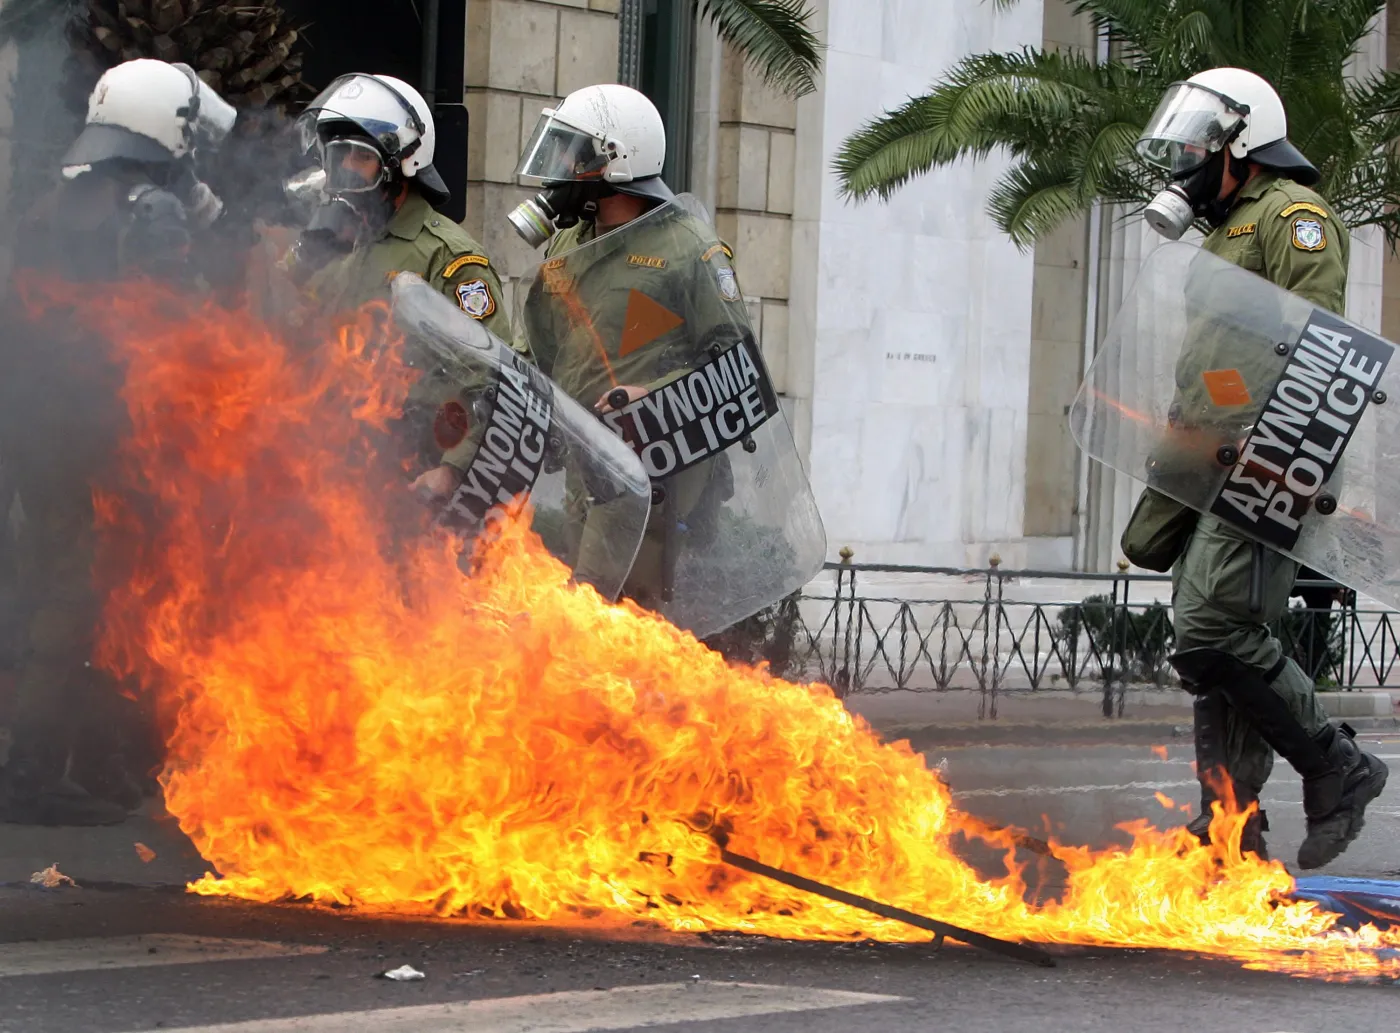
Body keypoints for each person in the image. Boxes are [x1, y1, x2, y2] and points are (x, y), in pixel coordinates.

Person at [1129, 67, 1388, 867]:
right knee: (1214, 643)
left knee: (1212, 624)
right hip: (1215, 455)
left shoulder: (1293, 214)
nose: (1186, 156)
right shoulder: (1223, 227)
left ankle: (1337, 765)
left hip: (1275, 451)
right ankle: (1230, 836)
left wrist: (1278, 450)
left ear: (1243, 143)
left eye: (1199, 139)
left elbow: (1319, 340)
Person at [0, 58, 236, 826]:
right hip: (93, 428)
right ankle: (35, 766)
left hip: (52, 421)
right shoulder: (143, 212)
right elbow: (167, 318)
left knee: (84, 584)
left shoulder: (73, 194)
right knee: (79, 591)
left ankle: (95, 761)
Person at [512, 84, 747, 612]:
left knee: (617, 621)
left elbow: (733, 364)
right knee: (584, 627)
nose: (561, 170)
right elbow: (546, 345)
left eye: (575, 155)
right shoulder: (568, 242)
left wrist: (654, 396)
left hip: (652, 471)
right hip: (582, 465)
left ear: (618, 162)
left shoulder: (690, 247)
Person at [291, 73, 521, 502]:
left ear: (402, 163)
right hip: (337, 476)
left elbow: (496, 384)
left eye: (359, 157)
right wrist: (302, 258)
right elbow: (279, 333)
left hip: (415, 482)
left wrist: (452, 472)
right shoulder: (338, 244)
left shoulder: (449, 258)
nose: (343, 169)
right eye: (336, 155)